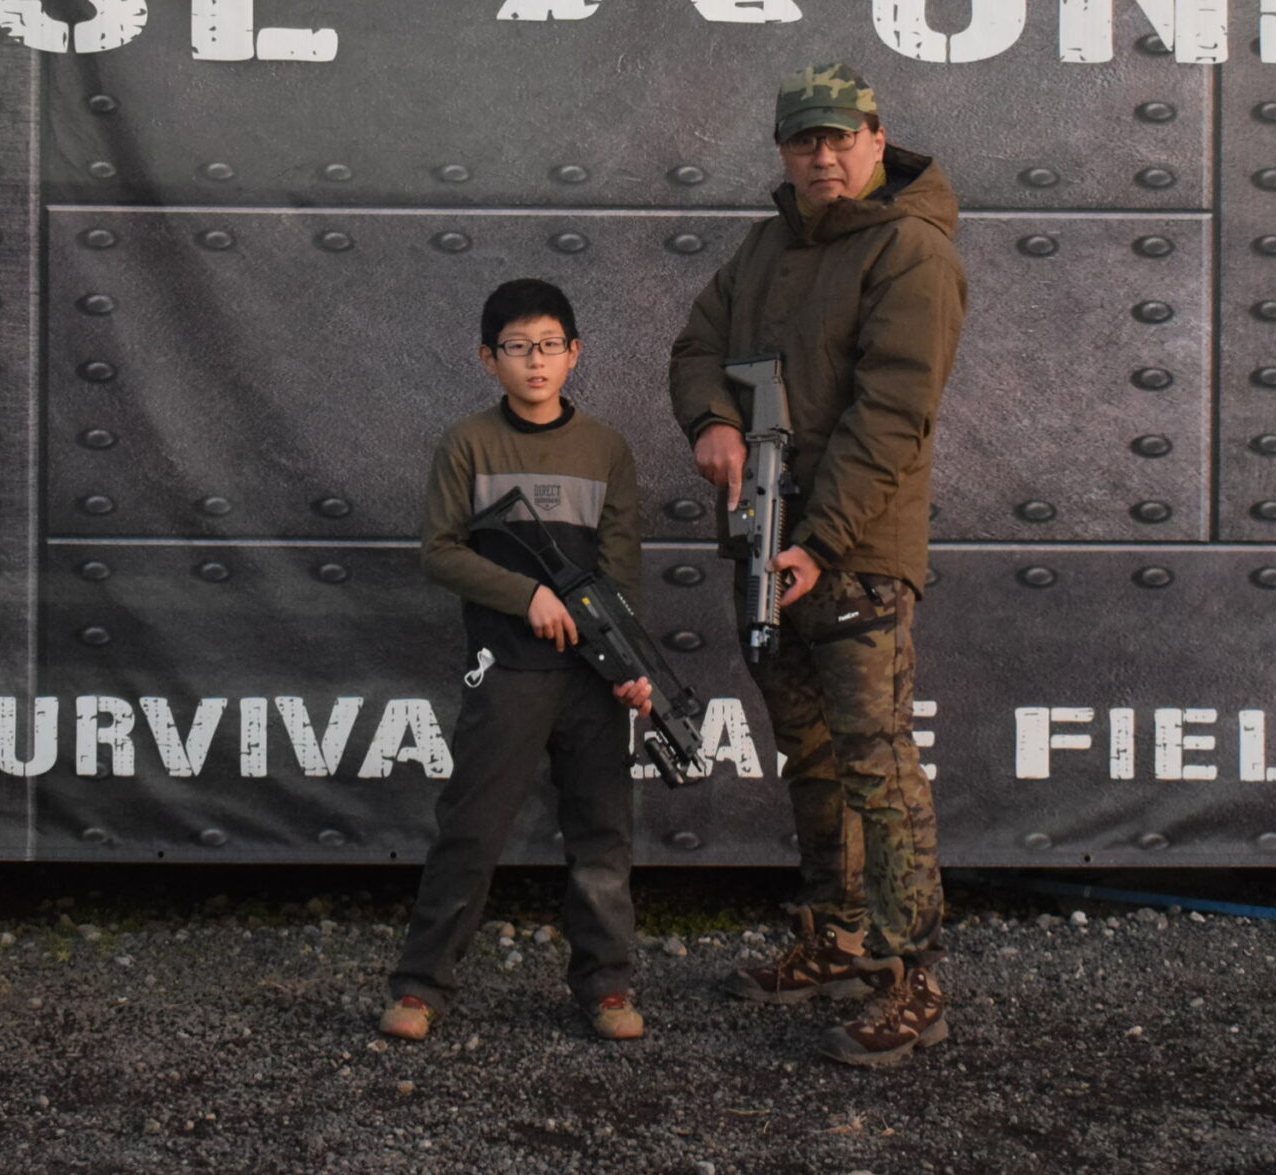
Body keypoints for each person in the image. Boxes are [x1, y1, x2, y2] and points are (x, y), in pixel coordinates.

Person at [670, 62, 968, 1068]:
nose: (824, 155)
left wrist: (822, 539)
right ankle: (838, 938)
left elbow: (892, 415)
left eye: (842, 137)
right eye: (806, 139)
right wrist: (711, 422)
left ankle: (912, 976)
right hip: (765, 545)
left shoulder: (911, 251)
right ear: (784, 150)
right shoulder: (766, 247)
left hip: (853, 554)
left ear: (877, 140)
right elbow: (695, 349)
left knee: (878, 762)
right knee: (810, 753)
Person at [381, 278, 654, 1043]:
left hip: (591, 680)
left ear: (575, 353)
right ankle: (420, 985)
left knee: (602, 835)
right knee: (470, 832)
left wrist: (629, 664)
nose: (535, 361)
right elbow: (440, 551)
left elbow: (621, 572)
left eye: (549, 345)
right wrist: (526, 594)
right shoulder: (468, 443)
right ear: (487, 357)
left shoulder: (606, 448)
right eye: (517, 347)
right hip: (506, 669)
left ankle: (607, 985)